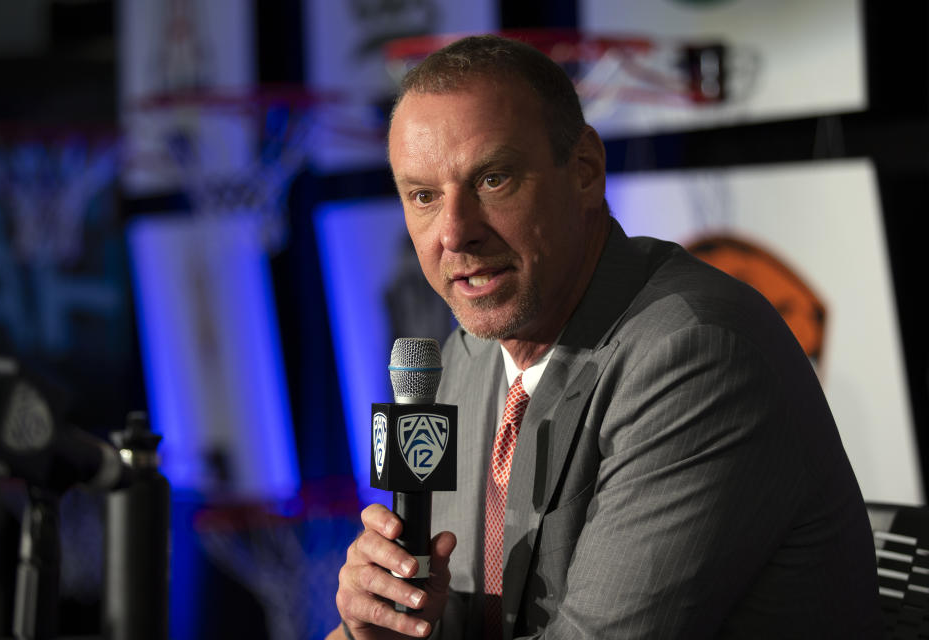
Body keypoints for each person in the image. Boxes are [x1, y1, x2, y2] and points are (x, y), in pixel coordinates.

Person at [329, 35, 882, 639]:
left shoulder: (694, 355)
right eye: (424, 196)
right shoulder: (467, 357)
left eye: (493, 179)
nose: (454, 233)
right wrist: (379, 626)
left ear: (585, 171)